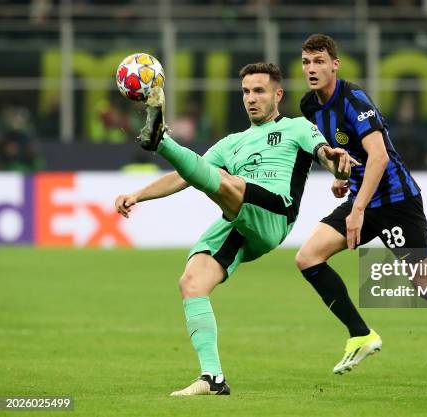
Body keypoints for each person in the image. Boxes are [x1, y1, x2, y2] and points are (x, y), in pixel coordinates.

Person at [115, 63, 356, 396]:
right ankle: (212, 378)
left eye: (259, 91)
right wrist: (138, 194)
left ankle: (162, 141)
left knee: (228, 183)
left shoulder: (297, 127)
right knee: (192, 282)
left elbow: (327, 156)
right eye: (245, 91)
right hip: (240, 218)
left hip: (274, 211)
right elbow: (190, 174)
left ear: (278, 94)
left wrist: (339, 169)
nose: (251, 98)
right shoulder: (232, 143)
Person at [295, 34, 427, 382]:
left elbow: (379, 156)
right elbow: (341, 154)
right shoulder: (309, 106)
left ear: (335, 64)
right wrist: (341, 177)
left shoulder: (354, 99)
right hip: (363, 198)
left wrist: (358, 207)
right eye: (306, 62)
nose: (312, 68)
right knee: (307, 257)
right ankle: (361, 335)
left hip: (396, 201)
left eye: (319, 61)